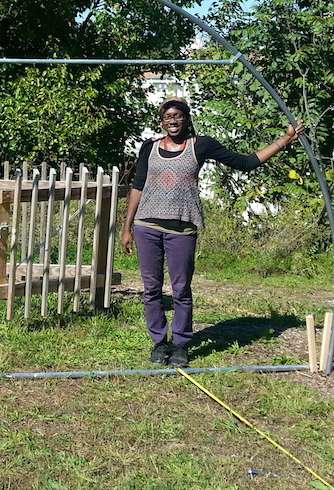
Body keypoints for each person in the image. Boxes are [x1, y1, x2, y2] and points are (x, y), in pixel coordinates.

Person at [120, 98, 306, 368]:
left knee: (181, 289)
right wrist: (126, 228)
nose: (172, 121)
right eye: (167, 117)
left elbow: (246, 163)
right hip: (146, 227)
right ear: (161, 120)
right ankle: (160, 343)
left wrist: (285, 140)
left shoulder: (201, 145)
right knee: (151, 289)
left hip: (182, 229)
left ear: (186, 118)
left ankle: (181, 344)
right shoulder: (149, 147)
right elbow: (138, 186)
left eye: (178, 116)